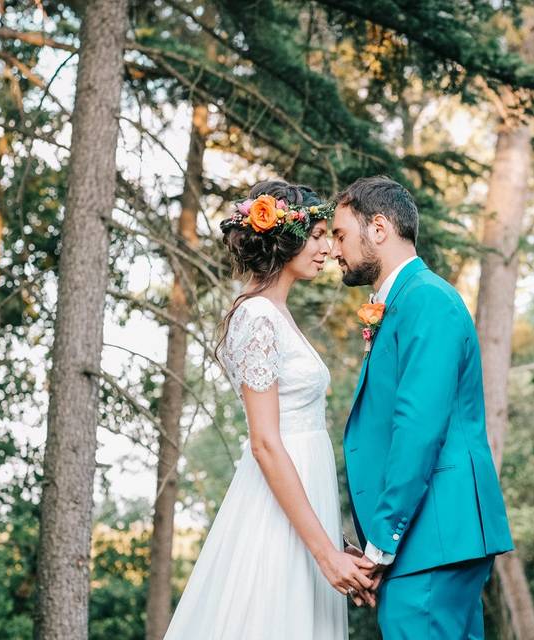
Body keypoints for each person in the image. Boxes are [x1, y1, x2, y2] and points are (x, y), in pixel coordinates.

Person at [163, 180, 372, 640]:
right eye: (316, 236)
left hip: (304, 501)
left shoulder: (278, 316)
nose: (327, 249)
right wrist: (325, 555)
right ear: (286, 239)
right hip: (272, 511)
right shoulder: (256, 317)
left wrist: (333, 540)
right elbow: (264, 441)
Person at [331, 176, 515, 639]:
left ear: (378, 228)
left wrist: (381, 545)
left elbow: (418, 428)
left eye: (340, 234)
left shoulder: (427, 299)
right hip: (429, 539)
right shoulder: (405, 301)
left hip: (431, 536)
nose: (335, 249)